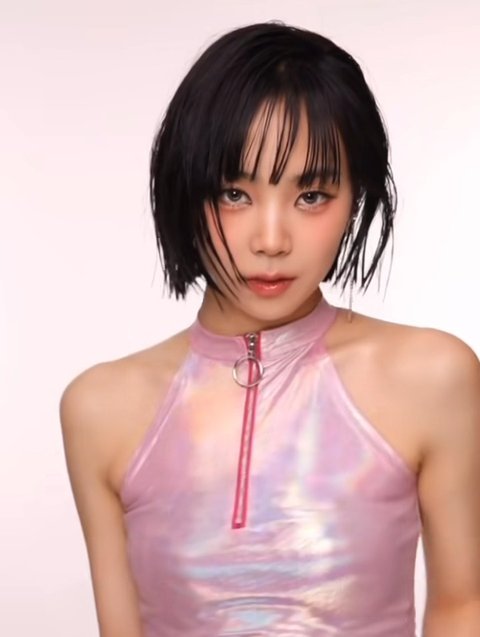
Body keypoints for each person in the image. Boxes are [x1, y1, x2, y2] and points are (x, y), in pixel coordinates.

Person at [60, 21, 480, 637]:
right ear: (183, 189)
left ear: (356, 197)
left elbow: (463, 607)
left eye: (312, 196)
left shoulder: (430, 375)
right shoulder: (101, 408)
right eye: (234, 193)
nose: (272, 240)